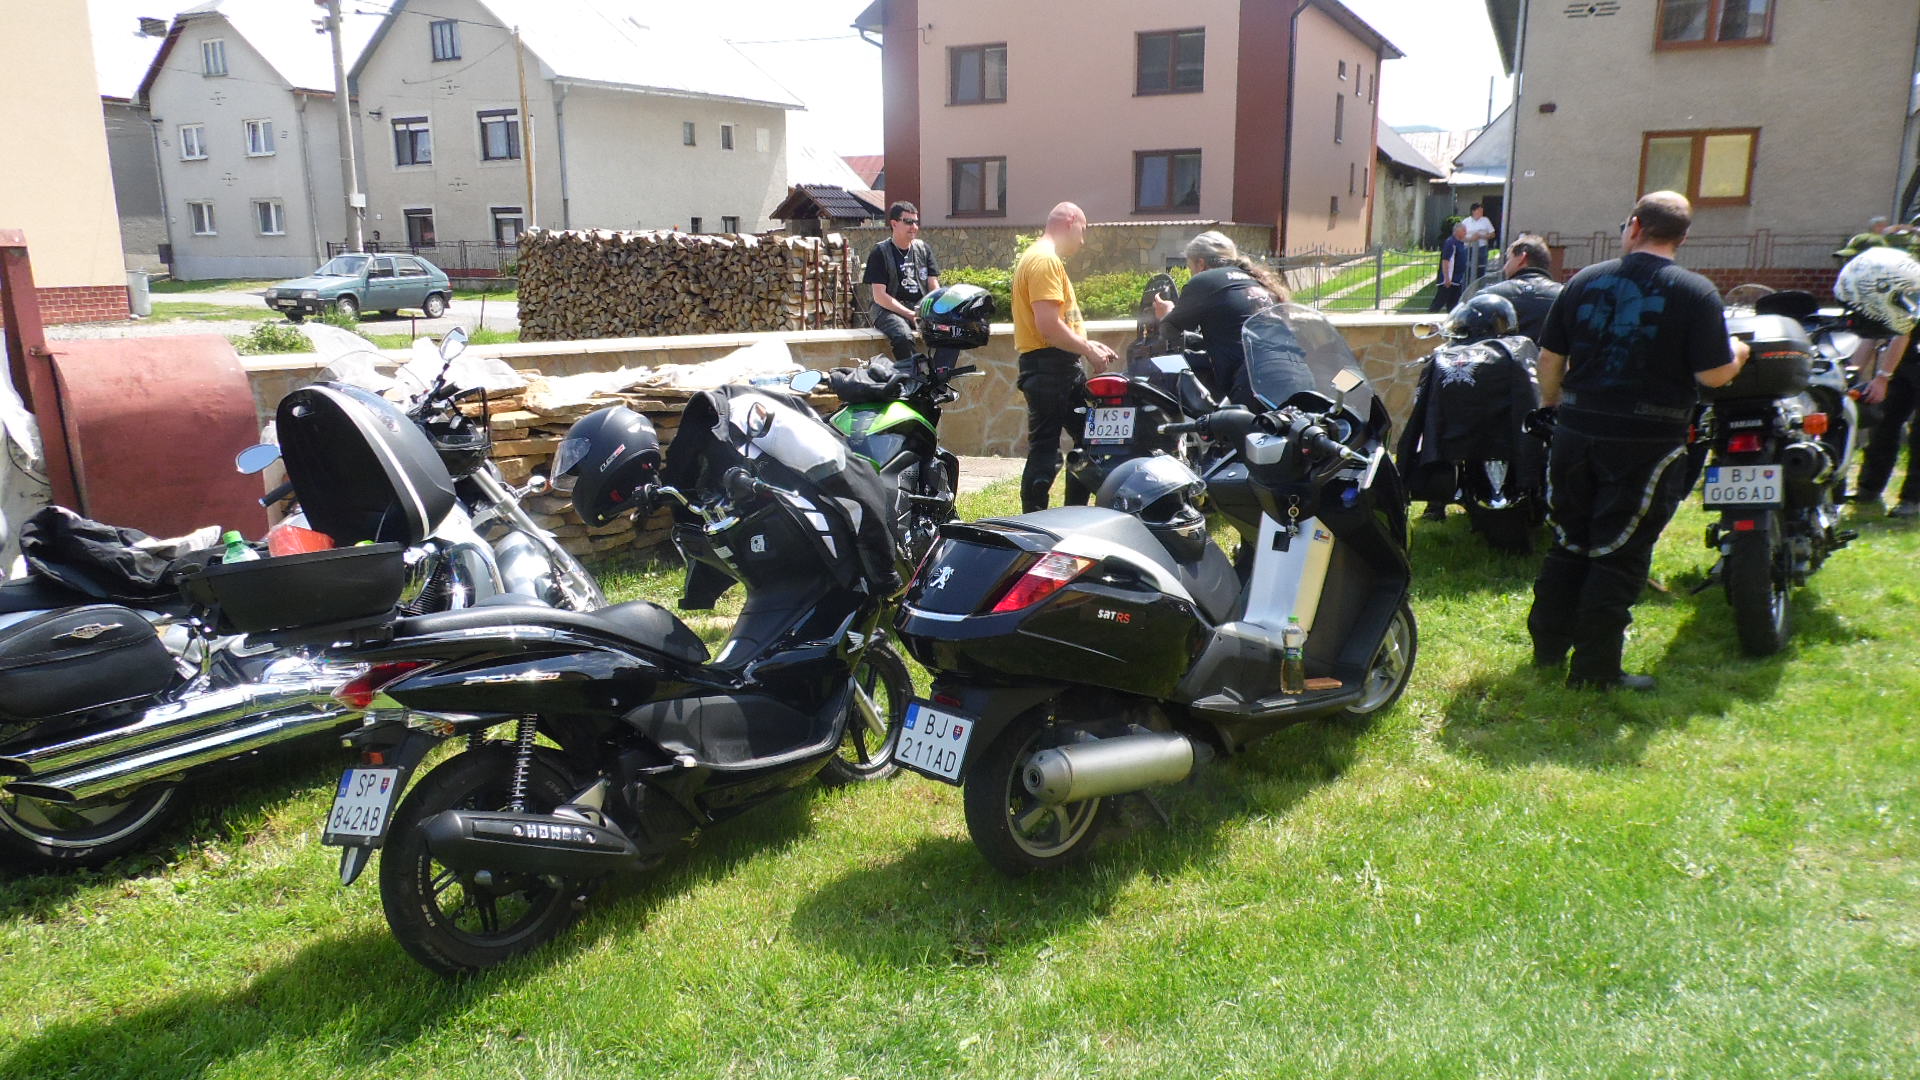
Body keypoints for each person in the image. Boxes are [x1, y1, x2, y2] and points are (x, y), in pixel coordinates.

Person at [1527, 191, 1749, 691]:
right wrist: (1738, 352)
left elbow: (1550, 359)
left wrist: (1553, 405)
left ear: (1633, 226)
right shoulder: (1696, 292)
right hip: (1647, 440)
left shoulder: (1582, 281)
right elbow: (1714, 376)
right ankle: (1595, 670)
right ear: (1683, 237)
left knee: (1569, 539)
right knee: (1619, 551)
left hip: (1576, 429)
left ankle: (1548, 648)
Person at [1013, 201, 1119, 512]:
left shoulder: (1039, 258)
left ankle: (1070, 514)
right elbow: (1048, 326)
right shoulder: (1044, 261)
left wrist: (1086, 344)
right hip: (1051, 369)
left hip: (1053, 367)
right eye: (1082, 230)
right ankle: (1038, 522)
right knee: (1051, 450)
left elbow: (1056, 324)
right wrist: (1087, 349)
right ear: (1070, 221)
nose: (1083, 240)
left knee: (1087, 441)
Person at [1149, 230, 1288, 407]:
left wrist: (1167, 313)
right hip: (1293, 374)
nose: (1192, 274)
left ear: (1201, 263)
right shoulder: (1257, 280)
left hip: (1253, 382)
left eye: (1191, 268)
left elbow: (1170, 330)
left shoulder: (1205, 281)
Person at [1834, 244, 1920, 516]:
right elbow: (1872, 332)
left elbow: (1902, 332)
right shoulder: (1883, 288)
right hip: (1905, 363)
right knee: (1883, 424)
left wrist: (1882, 377)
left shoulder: (1906, 282)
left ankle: (1913, 499)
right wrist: (1849, 374)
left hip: (1906, 358)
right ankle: (1869, 489)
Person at [861, 202, 941, 363]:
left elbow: (933, 286)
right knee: (903, 336)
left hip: (918, 307)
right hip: (887, 311)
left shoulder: (923, 249)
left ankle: (939, 374)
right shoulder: (880, 252)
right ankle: (911, 376)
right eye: (908, 222)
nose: (914, 227)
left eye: (916, 222)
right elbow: (879, 296)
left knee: (948, 332)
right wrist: (910, 315)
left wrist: (936, 311)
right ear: (894, 224)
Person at [1478, 233, 1562, 343]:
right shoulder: (1565, 296)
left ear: (1522, 259)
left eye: (1508, 259)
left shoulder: (1488, 296)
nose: (1505, 267)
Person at [1430, 222, 1469, 313]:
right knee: (1439, 302)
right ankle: (1427, 318)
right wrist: (1447, 278)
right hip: (1449, 280)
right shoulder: (1451, 243)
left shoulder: (1460, 243)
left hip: (1456, 280)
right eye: (1464, 230)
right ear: (1457, 231)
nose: (1465, 232)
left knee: (1453, 305)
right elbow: (1445, 261)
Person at [1462, 203, 1497, 282]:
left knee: (1481, 267)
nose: (1481, 213)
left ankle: (1479, 283)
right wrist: (1471, 239)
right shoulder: (1466, 221)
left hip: (1482, 247)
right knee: (1468, 268)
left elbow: (1492, 234)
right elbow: (1460, 237)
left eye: (1482, 211)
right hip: (1468, 248)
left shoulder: (1485, 220)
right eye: (1479, 211)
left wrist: (1481, 236)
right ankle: (1468, 284)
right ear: (1473, 211)